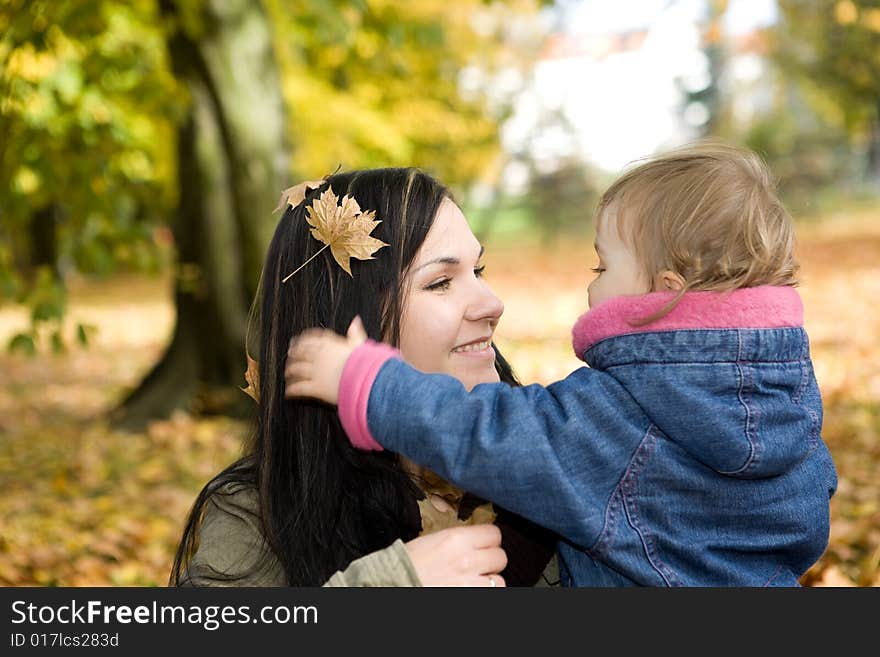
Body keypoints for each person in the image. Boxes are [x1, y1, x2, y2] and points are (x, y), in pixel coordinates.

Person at [285, 140, 839, 587]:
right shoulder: (789, 407)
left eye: (601, 268)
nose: (492, 302)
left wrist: (366, 381)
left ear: (663, 294)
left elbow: (486, 433)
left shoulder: (614, 423)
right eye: (441, 281)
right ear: (353, 306)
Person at [171, 167, 555, 587]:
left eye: (477, 272)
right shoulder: (265, 519)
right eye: (441, 282)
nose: (492, 304)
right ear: (351, 322)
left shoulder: (553, 467)